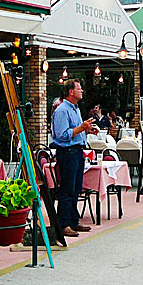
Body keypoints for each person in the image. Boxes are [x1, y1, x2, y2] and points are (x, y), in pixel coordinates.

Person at [51, 79, 97, 238]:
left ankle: (73, 220)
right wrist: (81, 128)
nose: (82, 90)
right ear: (71, 92)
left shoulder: (75, 109)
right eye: (79, 88)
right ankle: (63, 224)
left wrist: (87, 130)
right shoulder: (62, 110)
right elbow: (62, 135)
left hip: (77, 151)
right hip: (67, 152)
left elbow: (75, 131)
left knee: (76, 187)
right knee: (67, 188)